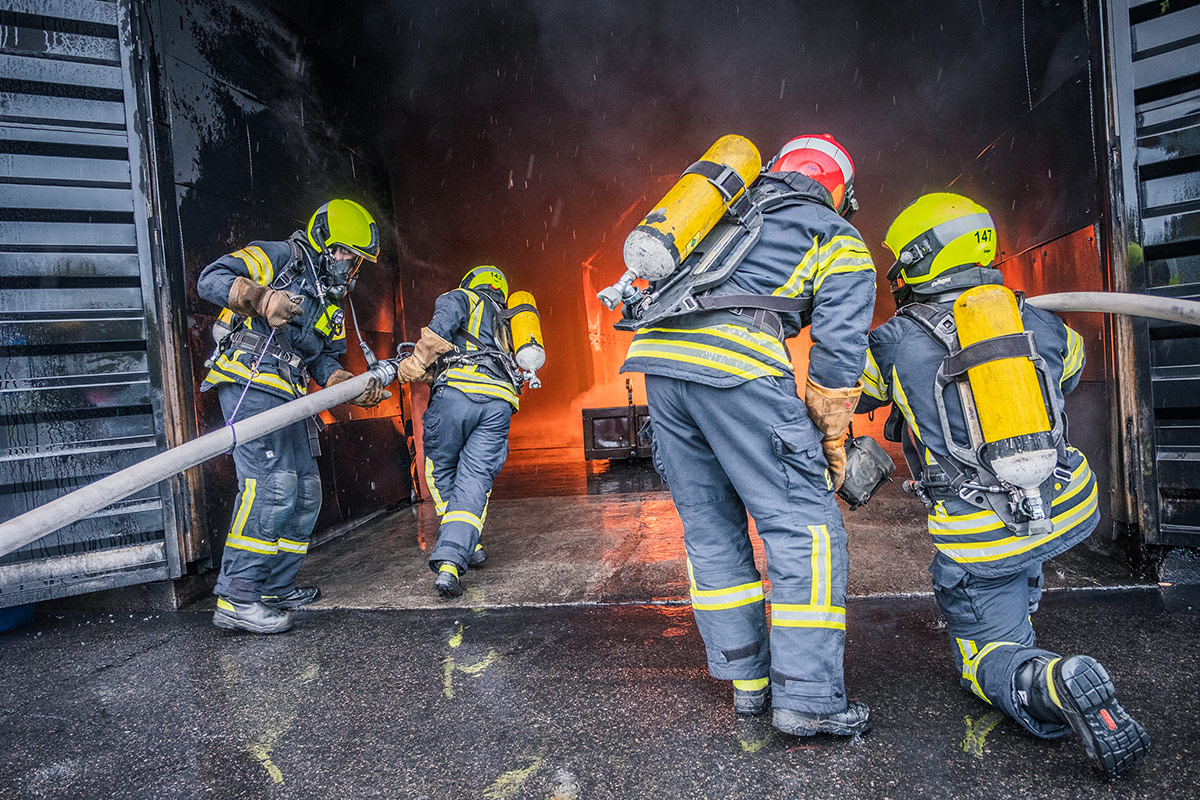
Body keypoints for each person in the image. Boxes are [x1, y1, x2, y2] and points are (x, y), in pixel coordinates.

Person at [856, 192, 1151, 778]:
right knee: (1017, 554)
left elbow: (850, 396)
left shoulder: (890, 342)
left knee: (982, 654)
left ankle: (1044, 678)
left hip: (983, 531)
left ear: (920, 257)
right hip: (1067, 503)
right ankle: (1019, 610)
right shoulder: (1039, 318)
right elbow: (1067, 371)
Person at [619, 134, 876, 737]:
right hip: (738, 370)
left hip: (660, 366)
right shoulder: (834, 233)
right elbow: (839, 354)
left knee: (711, 528)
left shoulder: (720, 213)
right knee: (805, 530)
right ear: (839, 190)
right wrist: (831, 440)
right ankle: (808, 701)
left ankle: (750, 686)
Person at [199, 199, 389, 634]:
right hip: (250, 380)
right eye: (344, 252)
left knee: (304, 492)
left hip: (291, 393)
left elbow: (324, 358)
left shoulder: (332, 300)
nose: (349, 265)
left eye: (356, 259)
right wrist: (261, 296)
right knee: (272, 486)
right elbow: (211, 279)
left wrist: (348, 384)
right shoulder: (280, 257)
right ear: (322, 239)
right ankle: (237, 597)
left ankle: (274, 587)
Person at [397, 266, 521, 598]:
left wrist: (416, 362)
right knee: (476, 480)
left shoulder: (461, 297)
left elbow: (438, 334)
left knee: (439, 471)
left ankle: (453, 553)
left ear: (470, 283)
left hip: (456, 397)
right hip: (498, 404)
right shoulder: (508, 324)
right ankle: (463, 549)